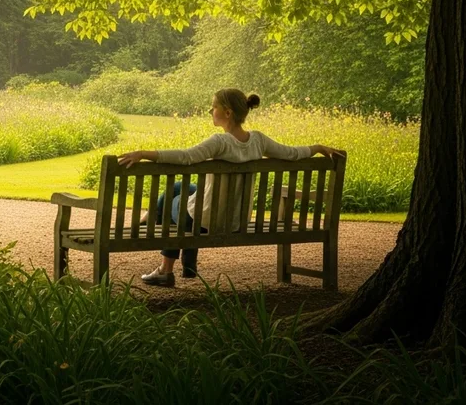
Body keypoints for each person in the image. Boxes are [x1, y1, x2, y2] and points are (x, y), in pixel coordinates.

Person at [116, 89, 345, 288]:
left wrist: (144, 153)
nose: (210, 111)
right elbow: (291, 154)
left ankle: (165, 268)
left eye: (213, 106)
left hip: (206, 221)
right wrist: (316, 147)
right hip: (236, 221)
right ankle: (186, 261)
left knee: (170, 202)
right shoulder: (258, 141)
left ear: (227, 112)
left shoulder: (219, 142)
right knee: (180, 188)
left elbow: (185, 157)